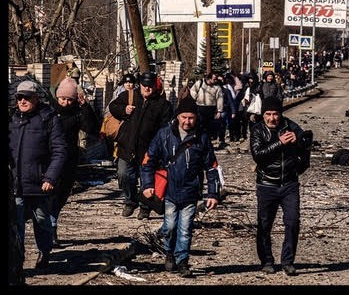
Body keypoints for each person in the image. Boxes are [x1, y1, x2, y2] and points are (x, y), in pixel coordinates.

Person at [141, 95, 222, 278]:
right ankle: (169, 251)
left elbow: (212, 167)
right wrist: (147, 184)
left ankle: (182, 261)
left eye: (191, 117)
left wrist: (213, 193)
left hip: (190, 192)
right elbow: (148, 161)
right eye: (184, 117)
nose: (187, 121)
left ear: (196, 118)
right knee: (169, 227)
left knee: (185, 228)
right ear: (178, 116)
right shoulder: (164, 135)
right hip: (168, 191)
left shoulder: (201, 138)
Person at [9, 80, 67, 270]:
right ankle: (18, 259)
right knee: (16, 225)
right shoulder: (12, 118)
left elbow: (59, 151)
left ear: (36, 98)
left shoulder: (48, 118)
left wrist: (50, 177)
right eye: (19, 97)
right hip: (16, 183)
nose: (22, 101)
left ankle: (45, 251)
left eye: (27, 97)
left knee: (41, 221)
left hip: (39, 182)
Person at [250, 97, 309, 276]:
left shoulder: (291, 127)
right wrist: (280, 143)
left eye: (275, 114)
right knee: (264, 225)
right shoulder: (257, 130)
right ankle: (267, 260)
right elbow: (258, 155)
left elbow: (307, 143)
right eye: (268, 114)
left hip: (289, 184)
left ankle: (288, 261)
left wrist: (298, 140)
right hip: (266, 184)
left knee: (292, 222)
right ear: (263, 115)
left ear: (280, 114)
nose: (272, 118)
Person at [109, 72, 173, 220]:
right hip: (127, 145)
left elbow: (166, 128)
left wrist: (160, 148)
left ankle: (145, 206)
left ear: (155, 87)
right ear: (140, 85)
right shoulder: (129, 95)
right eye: (145, 85)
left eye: (150, 86)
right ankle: (130, 200)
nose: (147, 89)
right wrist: (123, 110)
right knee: (124, 174)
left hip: (149, 149)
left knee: (147, 180)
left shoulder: (162, 104)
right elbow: (113, 107)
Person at [50, 77, 99, 246]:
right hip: (49, 161)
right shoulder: (49, 113)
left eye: (69, 99)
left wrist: (85, 106)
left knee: (62, 196)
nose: (65, 102)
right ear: (57, 97)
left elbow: (92, 128)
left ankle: (51, 226)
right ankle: (50, 230)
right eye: (63, 98)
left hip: (69, 160)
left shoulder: (77, 113)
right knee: (51, 197)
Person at [190, 72, 223, 145]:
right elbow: (192, 91)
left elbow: (220, 99)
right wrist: (195, 99)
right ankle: (199, 141)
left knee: (209, 127)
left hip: (211, 108)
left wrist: (219, 111)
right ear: (209, 78)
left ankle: (207, 142)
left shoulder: (217, 87)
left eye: (216, 79)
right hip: (200, 107)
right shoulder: (200, 83)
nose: (215, 81)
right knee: (200, 125)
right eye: (214, 79)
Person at [223, 73, 240, 143]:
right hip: (227, 107)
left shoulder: (231, 87)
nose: (228, 80)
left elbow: (232, 99)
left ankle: (230, 136)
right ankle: (227, 136)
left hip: (231, 107)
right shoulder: (225, 87)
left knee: (230, 123)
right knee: (226, 123)